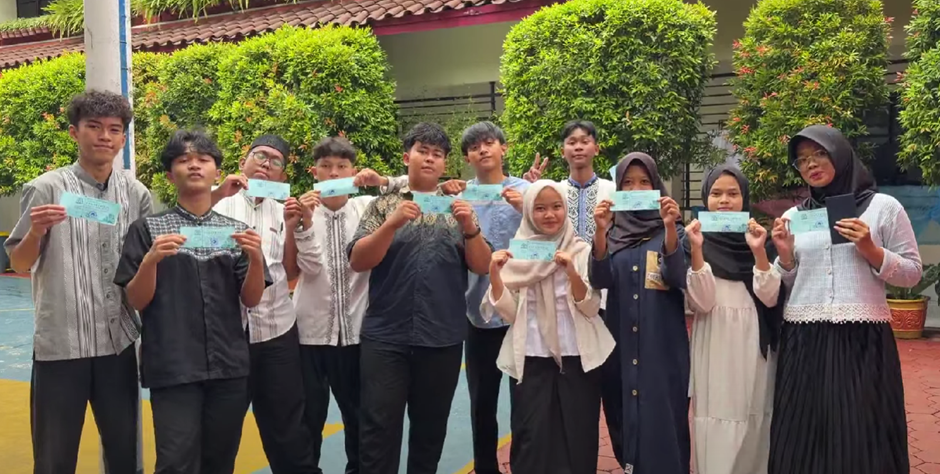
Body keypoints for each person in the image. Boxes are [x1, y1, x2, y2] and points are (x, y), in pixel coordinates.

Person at [4, 90, 147, 474]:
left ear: (122, 138)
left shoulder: (136, 194)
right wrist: (36, 232)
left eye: (114, 129)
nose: (104, 136)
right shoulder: (46, 189)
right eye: (94, 127)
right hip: (61, 346)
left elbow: (143, 262)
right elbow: (19, 262)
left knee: (124, 452)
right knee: (54, 457)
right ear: (74, 132)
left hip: (118, 343)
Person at [115, 129, 271, 474]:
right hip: (174, 368)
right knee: (175, 462)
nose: (195, 166)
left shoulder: (235, 230)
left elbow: (252, 299)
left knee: (220, 462)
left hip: (228, 367)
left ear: (217, 172)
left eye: (203, 159)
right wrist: (151, 261)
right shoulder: (148, 229)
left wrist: (257, 259)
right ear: (171, 175)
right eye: (184, 160)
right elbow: (136, 299)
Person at [768, 125, 921, 474]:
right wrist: (785, 256)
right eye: (802, 160)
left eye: (820, 154)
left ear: (840, 154)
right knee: (804, 432)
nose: (811, 164)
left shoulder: (882, 208)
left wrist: (870, 249)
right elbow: (785, 282)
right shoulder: (795, 217)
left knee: (860, 431)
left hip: (862, 338)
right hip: (804, 339)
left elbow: (912, 273)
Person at [347, 122, 492, 474]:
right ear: (406, 157)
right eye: (422, 151)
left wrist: (470, 228)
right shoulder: (383, 205)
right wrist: (391, 224)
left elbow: (482, 265)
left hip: (441, 337)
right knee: (378, 430)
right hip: (385, 337)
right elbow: (358, 260)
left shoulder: (457, 208)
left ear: (444, 164)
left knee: (430, 432)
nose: (429, 159)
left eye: (437, 154)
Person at [283, 136, 406, 474]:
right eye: (326, 166)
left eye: (342, 166)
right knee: (308, 420)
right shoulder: (299, 210)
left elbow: (415, 190)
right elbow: (303, 270)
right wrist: (305, 223)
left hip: (358, 333)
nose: (334, 172)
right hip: (309, 334)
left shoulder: (368, 207)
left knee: (360, 419)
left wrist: (381, 180)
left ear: (353, 171)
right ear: (314, 172)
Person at [483, 180, 614, 474]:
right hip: (532, 356)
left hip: (577, 357)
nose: (550, 214)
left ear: (565, 209)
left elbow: (591, 307)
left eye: (556, 207)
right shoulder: (519, 254)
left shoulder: (580, 250)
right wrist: (495, 275)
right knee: (531, 437)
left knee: (578, 436)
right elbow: (509, 312)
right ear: (529, 212)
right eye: (540, 208)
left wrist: (572, 273)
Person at [210, 134, 317, 473]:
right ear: (243, 161)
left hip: (277, 334)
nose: (266, 165)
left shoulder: (283, 211)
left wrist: (293, 226)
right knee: (220, 430)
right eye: (260, 156)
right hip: (227, 338)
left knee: (288, 428)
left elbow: (290, 271)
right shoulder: (215, 203)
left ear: (282, 175)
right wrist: (216, 193)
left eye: (276, 161)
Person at [589, 152, 690, 474]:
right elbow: (600, 280)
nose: (636, 189)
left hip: (662, 345)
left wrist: (670, 228)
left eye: (644, 182)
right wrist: (600, 233)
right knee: (622, 412)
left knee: (663, 418)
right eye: (628, 183)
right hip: (620, 341)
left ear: (656, 186)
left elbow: (677, 277)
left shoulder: (674, 231)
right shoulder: (613, 234)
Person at [437, 121, 529, 474]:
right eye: (474, 147)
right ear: (467, 158)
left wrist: (526, 208)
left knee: (525, 402)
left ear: (504, 148)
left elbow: (551, 234)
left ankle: (524, 466)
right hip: (478, 314)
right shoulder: (459, 196)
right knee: (482, 403)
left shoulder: (529, 191)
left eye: (489, 143)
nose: (483, 150)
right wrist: (444, 192)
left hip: (523, 313)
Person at [684, 165, 784, 474]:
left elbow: (770, 297)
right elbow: (701, 302)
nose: (724, 201)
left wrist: (759, 252)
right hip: (714, 336)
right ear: (705, 198)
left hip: (753, 338)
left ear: (744, 198)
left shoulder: (758, 239)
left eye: (732, 193)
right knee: (714, 415)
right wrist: (697, 249)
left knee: (753, 414)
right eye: (716, 194)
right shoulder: (695, 239)